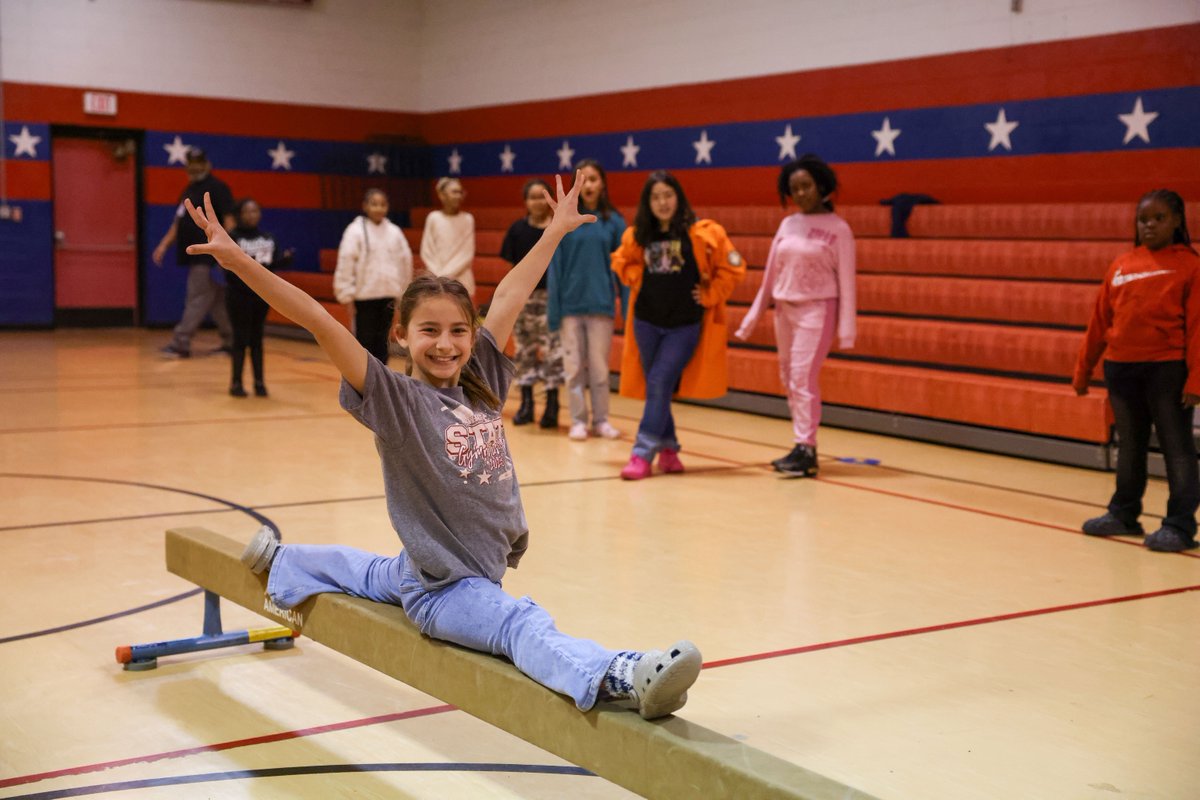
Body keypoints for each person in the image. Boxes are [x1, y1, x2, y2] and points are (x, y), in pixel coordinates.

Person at [182, 173, 702, 719]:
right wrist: (237, 260)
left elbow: (508, 294)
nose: (446, 344)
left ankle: (286, 561)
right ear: (401, 334)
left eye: (458, 331)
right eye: (429, 330)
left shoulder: (481, 382)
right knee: (517, 623)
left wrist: (555, 232)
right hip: (445, 589)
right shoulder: (395, 401)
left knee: (373, 573)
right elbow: (315, 317)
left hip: (429, 564)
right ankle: (619, 673)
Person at [1073, 189, 1200, 553]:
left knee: (1177, 447)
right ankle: (1124, 513)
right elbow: (1100, 320)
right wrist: (1083, 369)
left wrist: (1196, 380)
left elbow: (1197, 328)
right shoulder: (1122, 264)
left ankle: (1180, 524)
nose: (1150, 225)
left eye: (1159, 218)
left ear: (1177, 221)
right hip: (1121, 368)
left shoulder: (1190, 265)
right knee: (1130, 445)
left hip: (1167, 369)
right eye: (1144, 219)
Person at [611, 172, 745, 479]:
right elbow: (620, 260)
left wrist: (711, 294)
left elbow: (734, 267)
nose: (662, 202)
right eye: (655, 197)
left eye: (667, 195)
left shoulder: (703, 233)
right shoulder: (638, 235)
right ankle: (669, 450)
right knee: (660, 387)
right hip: (646, 322)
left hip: (684, 325)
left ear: (678, 197)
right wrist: (635, 277)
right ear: (648, 202)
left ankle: (642, 453)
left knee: (658, 381)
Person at [734, 154, 856, 477]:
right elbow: (771, 273)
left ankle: (807, 447)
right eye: (794, 189)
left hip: (817, 310)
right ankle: (801, 445)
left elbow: (847, 281)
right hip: (784, 310)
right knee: (789, 377)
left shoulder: (839, 230)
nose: (801, 194)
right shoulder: (788, 224)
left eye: (806, 186)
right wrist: (753, 316)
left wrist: (847, 330)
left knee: (803, 378)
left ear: (821, 186)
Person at [547, 159, 627, 441]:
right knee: (573, 368)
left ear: (602, 183)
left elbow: (624, 269)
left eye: (594, 179)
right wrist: (554, 312)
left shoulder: (614, 222)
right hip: (570, 308)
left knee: (600, 369)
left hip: (601, 307)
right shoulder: (566, 224)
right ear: (576, 186)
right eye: (585, 180)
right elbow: (554, 269)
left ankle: (602, 420)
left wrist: (627, 311)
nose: (590, 185)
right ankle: (578, 420)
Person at [152, 148, 235, 358]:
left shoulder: (217, 188)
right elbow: (178, 222)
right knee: (217, 303)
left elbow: (229, 222)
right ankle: (232, 342)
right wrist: (163, 245)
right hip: (198, 256)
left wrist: (226, 251)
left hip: (209, 256)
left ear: (207, 164)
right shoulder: (189, 190)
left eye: (198, 162)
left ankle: (181, 343)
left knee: (197, 299)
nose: (195, 166)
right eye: (191, 162)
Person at [500, 178, 564, 429]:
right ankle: (526, 404)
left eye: (542, 196)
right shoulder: (517, 230)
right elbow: (510, 269)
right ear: (525, 201)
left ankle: (552, 404)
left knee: (552, 353)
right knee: (524, 351)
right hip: (524, 299)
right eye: (533, 197)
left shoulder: (558, 230)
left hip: (551, 299)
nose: (538, 201)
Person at [333, 189, 413, 364]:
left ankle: (381, 382)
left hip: (388, 297)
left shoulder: (394, 232)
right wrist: (346, 293)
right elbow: (346, 262)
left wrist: (403, 292)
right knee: (364, 344)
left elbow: (405, 262)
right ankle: (363, 384)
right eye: (374, 204)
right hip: (364, 298)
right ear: (365, 206)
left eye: (382, 204)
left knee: (383, 343)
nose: (378, 208)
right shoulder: (354, 231)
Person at [226, 198, 292, 398]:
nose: (251, 215)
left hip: (261, 297)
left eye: (255, 211)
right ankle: (236, 382)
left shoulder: (268, 238)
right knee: (240, 339)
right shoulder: (233, 238)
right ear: (240, 214)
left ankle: (259, 382)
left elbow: (270, 266)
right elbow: (228, 269)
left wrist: (285, 260)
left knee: (257, 339)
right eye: (247, 211)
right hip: (239, 296)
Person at [420, 177, 476, 297]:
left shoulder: (467, 219)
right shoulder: (433, 218)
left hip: (460, 281)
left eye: (460, 192)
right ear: (442, 195)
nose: (458, 196)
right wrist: (437, 275)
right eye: (454, 192)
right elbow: (427, 250)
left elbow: (466, 254)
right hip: (435, 280)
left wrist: (445, 276)